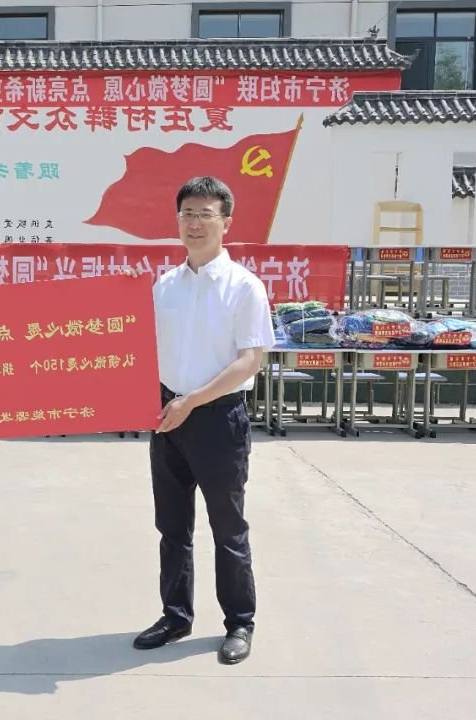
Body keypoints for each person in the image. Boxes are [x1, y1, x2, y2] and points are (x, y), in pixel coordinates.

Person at [132, 176, 275, 665]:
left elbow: (249, 360)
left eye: (205, 215)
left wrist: (191, 401)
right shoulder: (165, 286)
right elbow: (138, 344)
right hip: (167, 417)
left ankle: (239, 623)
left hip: (217, 419)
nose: (195, 224)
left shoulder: (244, 287)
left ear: (226, 223)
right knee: (172, 527)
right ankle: (175, 616)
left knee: (228, 529)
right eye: (187, 214)